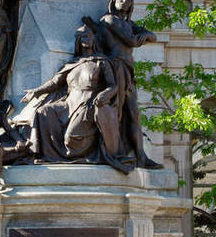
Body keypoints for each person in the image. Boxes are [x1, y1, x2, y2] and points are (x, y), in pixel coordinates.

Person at [20, 24, 135, 173]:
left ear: (94, 40)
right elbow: (55, 82)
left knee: (70, 138)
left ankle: (73, 157)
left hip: (88, 103)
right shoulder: (73, 63)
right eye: (82, 37)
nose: (86, 40)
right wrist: (36, 92)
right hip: (69, 103)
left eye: (89, 36)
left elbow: (113, 86)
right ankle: (43, 154)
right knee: (43, 112)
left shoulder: (102, 62)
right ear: (78, 41)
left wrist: (103, 95)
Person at [96, 0, 160, 169]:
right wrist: (144, 34)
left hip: (128, 69)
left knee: (134, 113)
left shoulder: (127, 24)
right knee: (117, 111)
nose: (126, 1)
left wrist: (146, 34)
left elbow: (154, 37)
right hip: (116, 68)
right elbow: (132, 41)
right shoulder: (109, 20)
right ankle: (113, 151)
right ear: (114, 0)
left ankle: (141, 156)